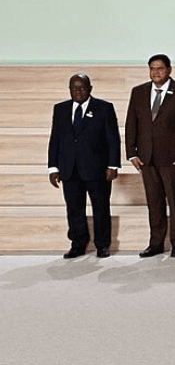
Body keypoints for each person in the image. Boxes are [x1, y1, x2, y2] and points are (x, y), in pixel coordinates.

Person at [125, 53, 175, 258]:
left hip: (173, 159)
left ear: (169, 70)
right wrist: (131, 153)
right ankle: (156, 243)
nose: (156, 72)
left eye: (160, 68)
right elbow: (132, 123)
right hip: (146, 159)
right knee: (154, 203)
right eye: (152, 68)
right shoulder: (138, 92)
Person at [48, 73, 120, 258]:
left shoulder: (104, 108)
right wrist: (53, 167)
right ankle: (78, 244)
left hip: (97, 170)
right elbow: (55, 139)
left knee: (101, 208)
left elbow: (113, 139)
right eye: (74, 88)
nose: (78, 91)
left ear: (90, 88)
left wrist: (113, 165)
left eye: (81, 88)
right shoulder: (60, 109)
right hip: (69, 169)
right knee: (74, 208)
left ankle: (102, 245)